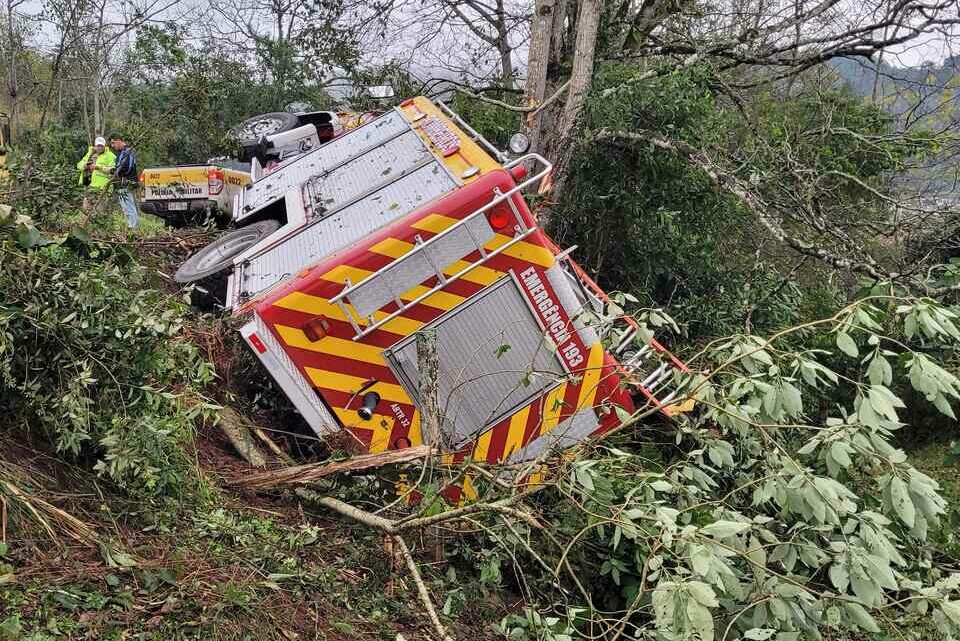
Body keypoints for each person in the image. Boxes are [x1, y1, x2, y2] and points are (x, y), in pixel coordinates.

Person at [108, 133, 140, 228]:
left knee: (128, 207)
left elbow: (127, 167)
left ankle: (133, 228)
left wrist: (115, 171)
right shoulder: (121, 152)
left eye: (113, 143)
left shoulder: (127, 151)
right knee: (126, 207)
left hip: (127, 183)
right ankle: (132, 226)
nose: (112, 146)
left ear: (119, 140)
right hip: (122, 184)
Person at [76, 136, 116, 211]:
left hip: (102, 188)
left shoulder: (110, 156)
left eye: (101, 146)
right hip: (88, 185)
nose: (100, 148)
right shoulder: (90, 154)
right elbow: (79, 165)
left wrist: (98, 167)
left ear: (105, 146)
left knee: (99, 210)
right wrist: (84, 166)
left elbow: (113, 170)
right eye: (98, 145)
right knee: (86, 209)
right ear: (95, 145)